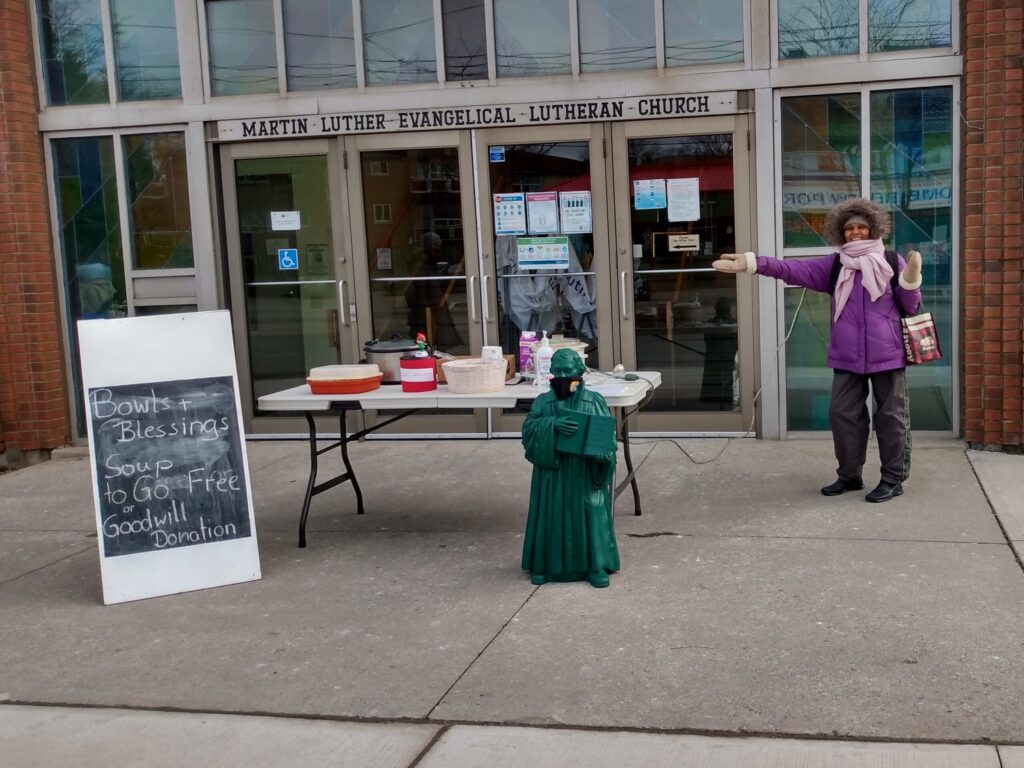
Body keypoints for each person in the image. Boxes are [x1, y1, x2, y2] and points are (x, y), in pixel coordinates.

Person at [713, 198, 922, 503]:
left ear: (873, 228)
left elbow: (909, 305)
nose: (855, 232)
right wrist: (753, 263)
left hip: (887, 354)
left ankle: (893, 478)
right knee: (843, 415)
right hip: (847, 354)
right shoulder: (836, 265)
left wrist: (910, 279)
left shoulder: (891, 261)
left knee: (891, 417)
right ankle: (850, 476)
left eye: (861, 227)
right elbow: (791, 269)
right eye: (849, 228)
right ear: (841, 232)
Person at [521, 349, 620, 587]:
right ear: (551, 373)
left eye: (569, 371)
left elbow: (606, 435)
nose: (563, 375)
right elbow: (528, 431)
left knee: (590, 511)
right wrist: (552, 425)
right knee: (550, 514)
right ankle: (544, 565)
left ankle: (594, 565)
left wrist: (605, 455)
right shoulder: (543, 402)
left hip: (583, 472)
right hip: (553, 472)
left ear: (580, 371)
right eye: (559, 371)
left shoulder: (593, 400)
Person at [405, 232, 463, 350]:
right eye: (435, 247)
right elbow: (419, 291)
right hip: (426, 313)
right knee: (426, 345)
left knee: (438, 345)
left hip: (435, 309)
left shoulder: (431, 264)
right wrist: (428, 310)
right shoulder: (420, 266)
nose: (437, 251)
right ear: (427, 247)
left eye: (438, 247)